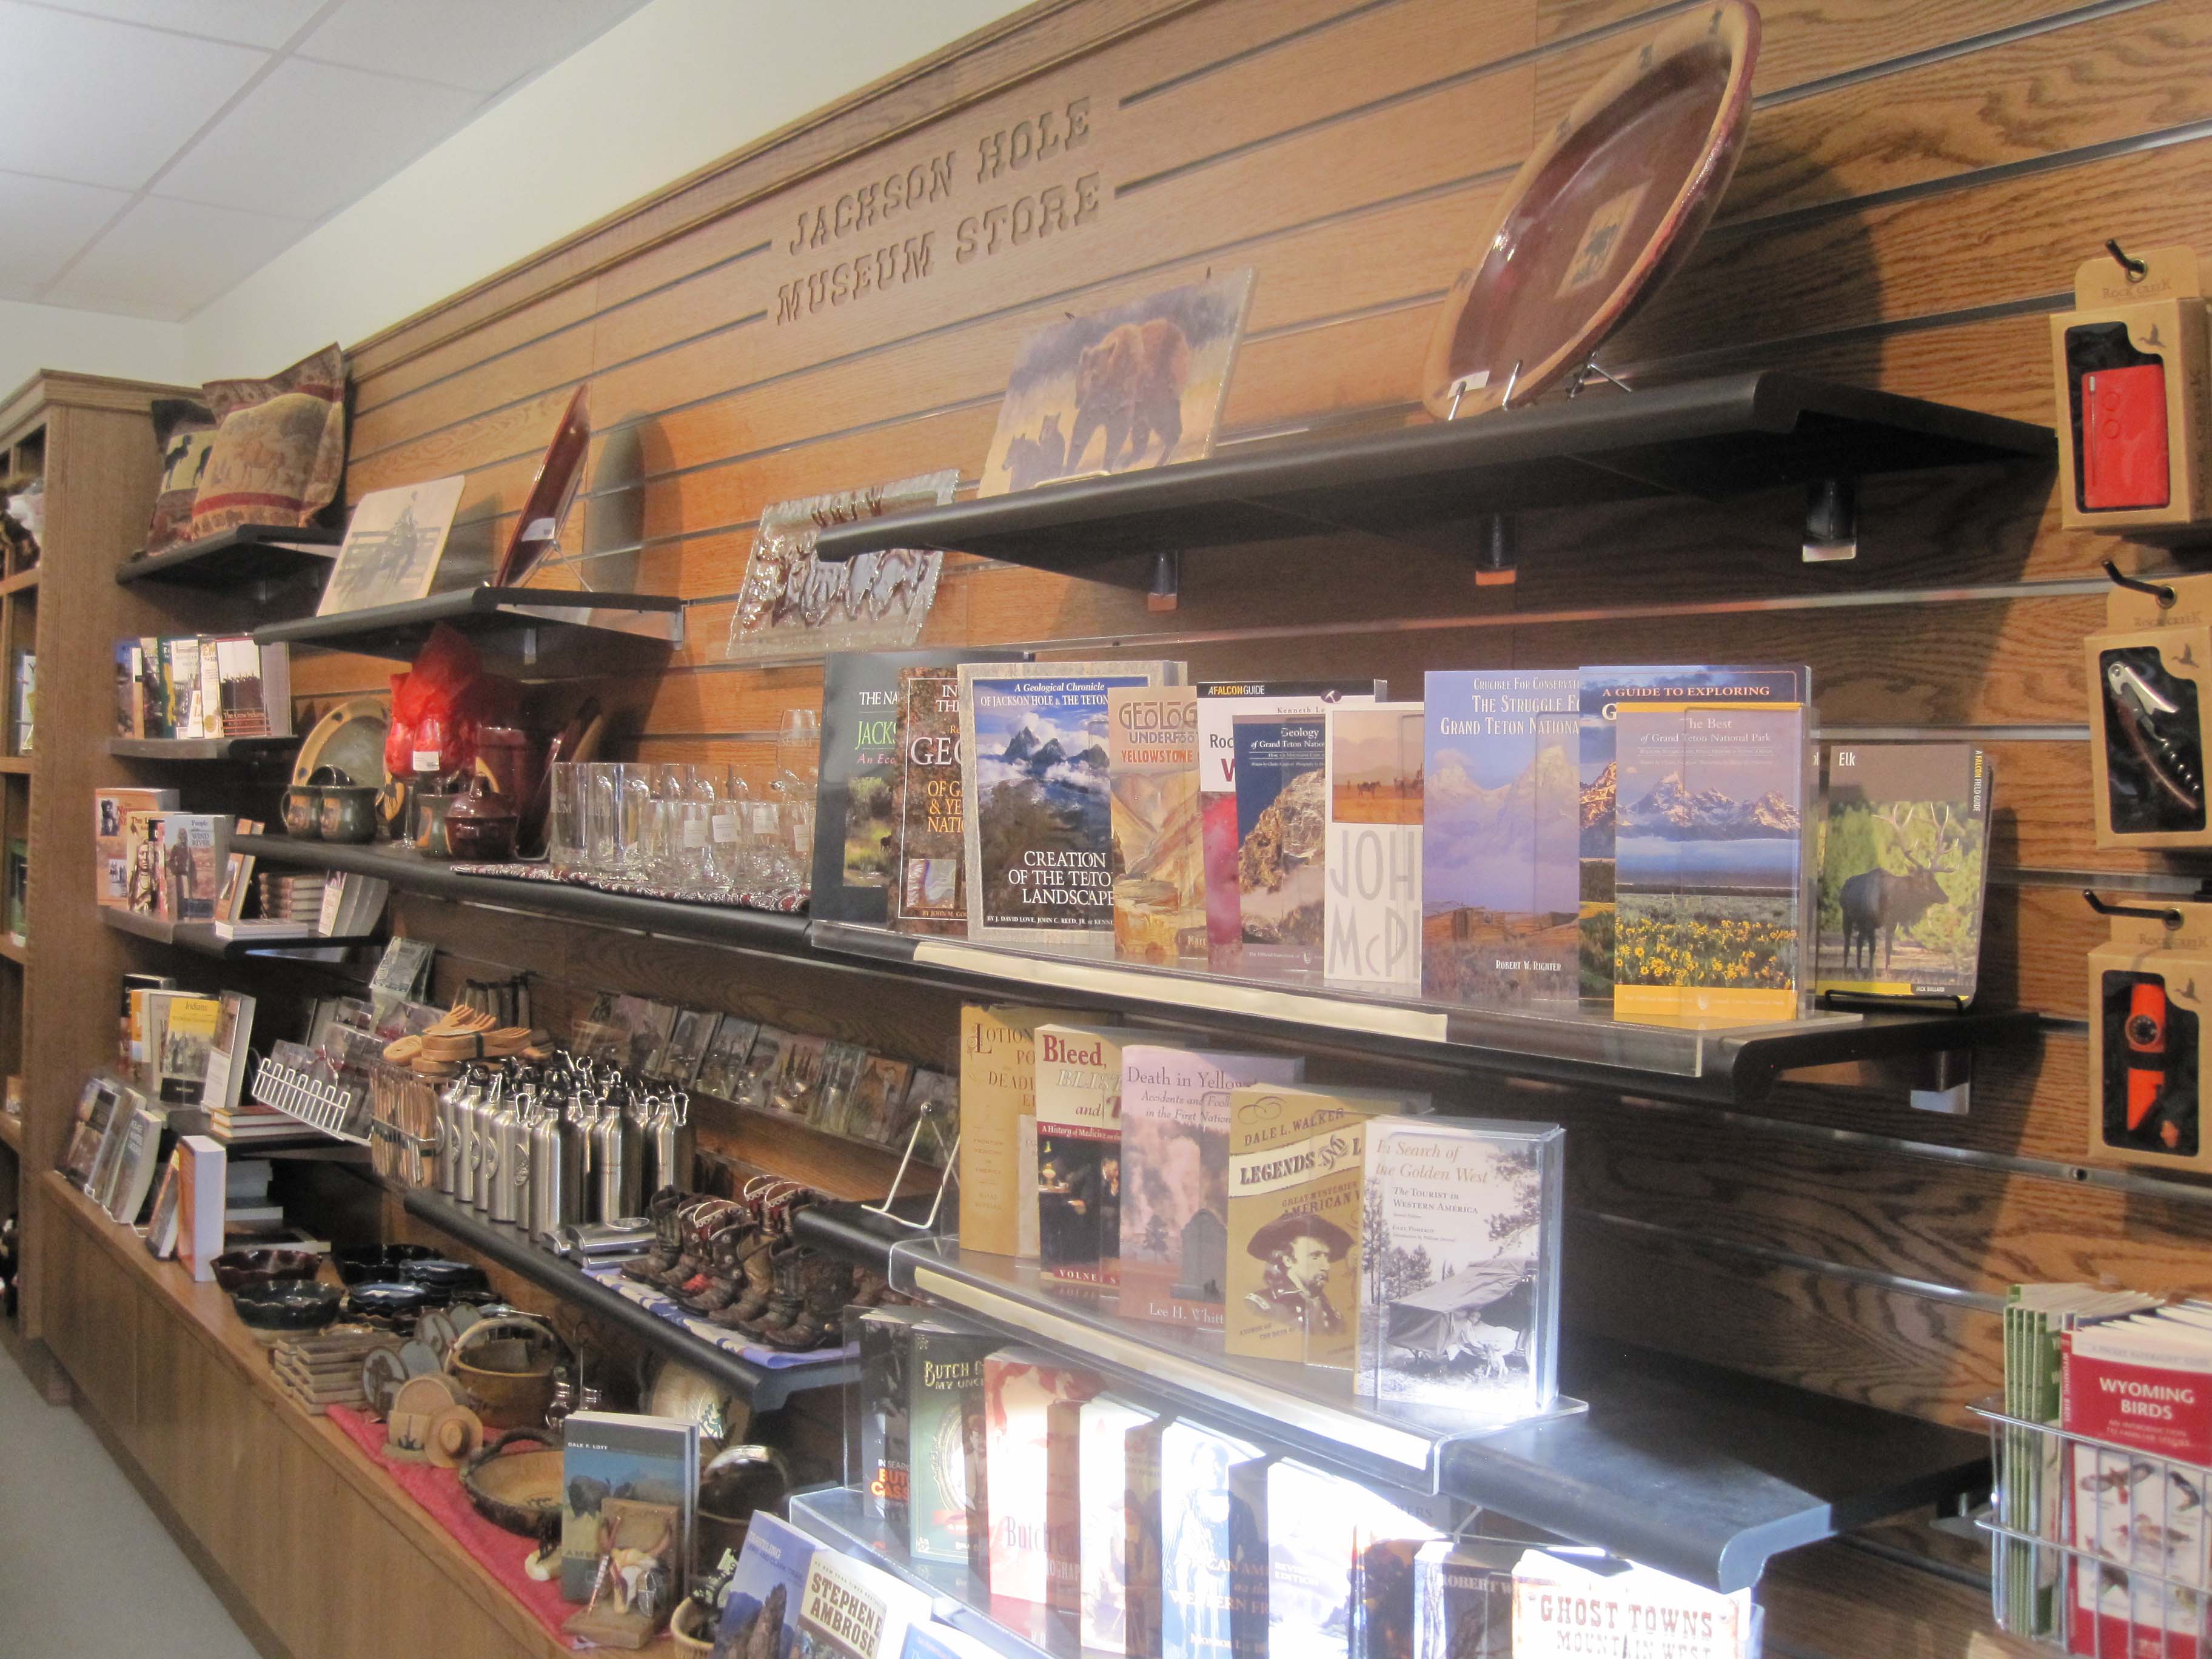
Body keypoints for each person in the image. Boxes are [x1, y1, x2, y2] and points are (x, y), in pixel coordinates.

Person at [1241, 1212, 1353, 1335]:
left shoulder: (1332, 1314)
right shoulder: (1259, 1306)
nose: (1327, 1266)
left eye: (1327, 1257)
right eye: (1315, 1256)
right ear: (1288, 1260)